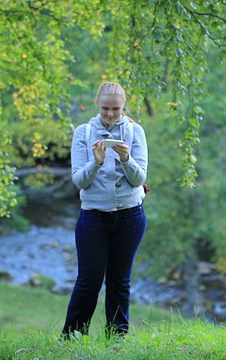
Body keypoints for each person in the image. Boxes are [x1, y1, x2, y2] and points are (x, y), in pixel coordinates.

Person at [61, 81, 148, 339]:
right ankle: (73, 338)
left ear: (123, 107)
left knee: (120, 283)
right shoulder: (83, 132)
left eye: (116, 109)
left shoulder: (135, 132)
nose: (110, 114)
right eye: (105, 108)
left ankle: (116, 340)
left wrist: (125, 158)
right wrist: (96, 163)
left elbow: (139, 177)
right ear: (97, 105)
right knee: (88, 282)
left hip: (130, 216)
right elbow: (80, 181)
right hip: (93, 217)